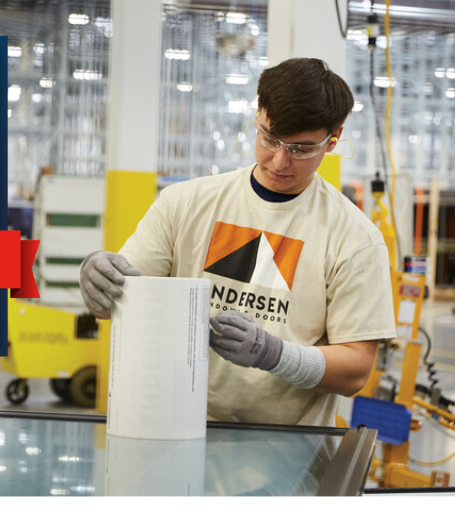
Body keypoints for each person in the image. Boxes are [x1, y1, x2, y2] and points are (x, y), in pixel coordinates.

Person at [79, 57, 397, 427]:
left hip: (284, 450)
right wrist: (98, 281)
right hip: (171, 425)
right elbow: (117, 304)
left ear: (333, 140)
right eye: (269, 138)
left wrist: (275, 355)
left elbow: (356, 370)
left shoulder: (354, 239)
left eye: (301, 149)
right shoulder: (185, 203)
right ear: (258, 115)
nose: (279, 160)